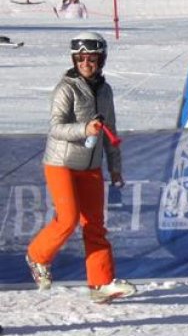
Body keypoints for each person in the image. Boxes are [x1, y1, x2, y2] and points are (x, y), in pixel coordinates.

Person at [26, 32, 137, 303]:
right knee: (68, 218)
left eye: (92, 58)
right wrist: (84, 129)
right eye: (81, 58)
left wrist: (115, 168)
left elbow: (110, 130)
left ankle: (100, 284)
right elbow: (56, 128)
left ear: (101, 60)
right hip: (61, 163)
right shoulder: (66, 88)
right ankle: (37, 256)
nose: (86, 63)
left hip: (90, 166)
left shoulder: (105, 90)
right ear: (74, 60)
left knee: (95, 225)